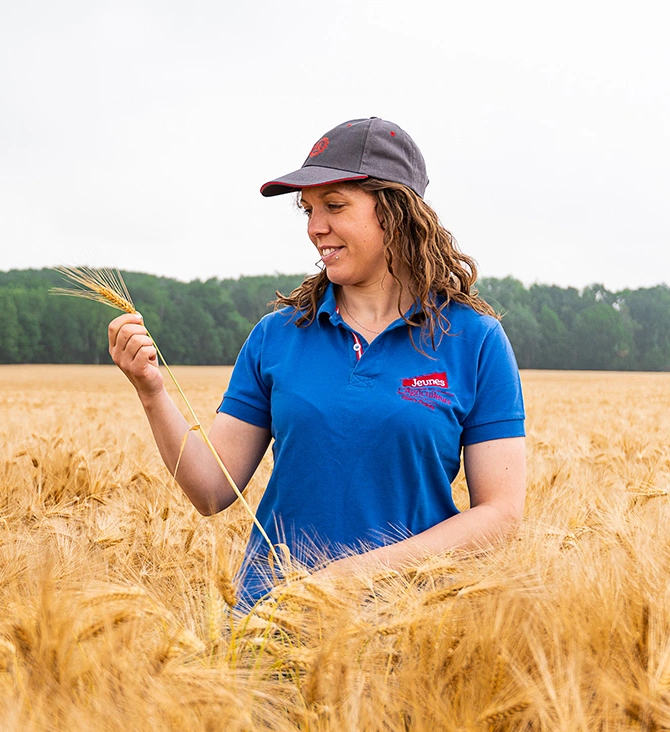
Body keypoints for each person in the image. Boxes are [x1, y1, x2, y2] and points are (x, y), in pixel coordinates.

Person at [108, 117, 526, 609]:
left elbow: (500, 514)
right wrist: (151, 390)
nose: (315, 228)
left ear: (396, 212)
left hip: (409, 631)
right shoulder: (277, 336)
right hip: (271, 623)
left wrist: (357, 574)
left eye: (334, 205)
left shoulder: (475, 341)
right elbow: (211, 489)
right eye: (308, 210)